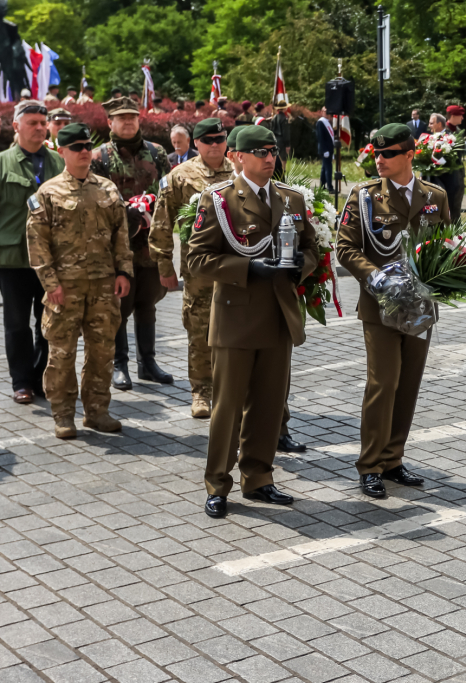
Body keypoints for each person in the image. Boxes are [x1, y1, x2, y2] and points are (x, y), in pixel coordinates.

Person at [187, 126, 319, 518]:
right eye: (259, 152)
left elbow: (312, 247)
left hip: (278, 316)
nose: (268, 158)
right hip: (237, 316)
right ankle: (217, 483)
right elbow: (197, 259)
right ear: (237, 157)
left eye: (273, 151)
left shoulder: (291, 199)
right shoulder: (220, 201)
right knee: (227, 407)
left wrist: (301, 266)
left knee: (269, 403)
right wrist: (248, 268)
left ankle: (259, 478)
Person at [336, 123, 452, 499]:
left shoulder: (435, 196)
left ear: (409, 153)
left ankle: (393, 459)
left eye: (388, 154)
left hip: (420, 306)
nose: (379, 160)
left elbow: (446, 246)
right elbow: (345, 248)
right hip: (380, 305)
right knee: (382, 383)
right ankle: (370, 465)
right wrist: (377, 280)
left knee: (408, 384)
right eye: (376, 153)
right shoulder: (364, 196)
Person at [25, 123, 133, 439]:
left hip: (103, 286)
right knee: (61, 354)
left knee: (102, 352)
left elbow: (121, 236)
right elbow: (37, 241)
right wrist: (50, 282)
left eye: (87, 145)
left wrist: (124, 272)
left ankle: (97, 412)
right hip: (65, 287)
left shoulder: (108, 189)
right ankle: (62, 415)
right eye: (77, 147)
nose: (84, 151)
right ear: (62, 152)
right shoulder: (47, 192)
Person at [0, 100, 65, 404]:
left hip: (51, 260)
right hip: (12, 257)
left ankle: (41, 378)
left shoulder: (58, 163)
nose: (40, 127)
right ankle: (21, 382)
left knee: (48, 324)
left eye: (43, 122)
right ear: (16, 126)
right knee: (16, 325)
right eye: (33, 123)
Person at [150, 118, 233, 419]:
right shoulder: (180, 176)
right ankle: (201, 391)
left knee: (238, 328)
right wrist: (164, 265)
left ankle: (233, 388)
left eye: (220, 138)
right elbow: (161, 222)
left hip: (240, 267)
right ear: (196, 143)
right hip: (199, 271)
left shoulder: (240, 170)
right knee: (200, 330)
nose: (215, 144)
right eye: (208, 139)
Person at [89, 97, 173, 391]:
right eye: (121, 118)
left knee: (147, 303)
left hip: (151, 245)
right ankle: (119, 364)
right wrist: (129, 211)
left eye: (132, 117)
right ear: (110, 123)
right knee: (120, 306)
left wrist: (154, 210)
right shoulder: (99, 157)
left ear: (139, 121)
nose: (127, 122)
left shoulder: (157, 152)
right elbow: (97, 198)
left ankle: (147, 364)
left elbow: (168, 190)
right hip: (117, 246)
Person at [445, 105, 466, 221]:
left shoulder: (458, 131)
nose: (462, 118)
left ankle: (456, 234)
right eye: (460, 115)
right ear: (453, 116)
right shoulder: (443, 131)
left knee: (457, 206)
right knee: (447, 207)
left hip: (458, 173)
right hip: (446, 174)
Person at [316, 106, 336, 192]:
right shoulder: (321, 122)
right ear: (322, 112)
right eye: (325, 112)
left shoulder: (327, 122)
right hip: (325, 150)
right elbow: (320, 137)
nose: (327, 114)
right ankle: (330, 187)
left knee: (324, 167)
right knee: (328, 168)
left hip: (328, 149)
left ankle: (322, 185)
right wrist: (324, 150)